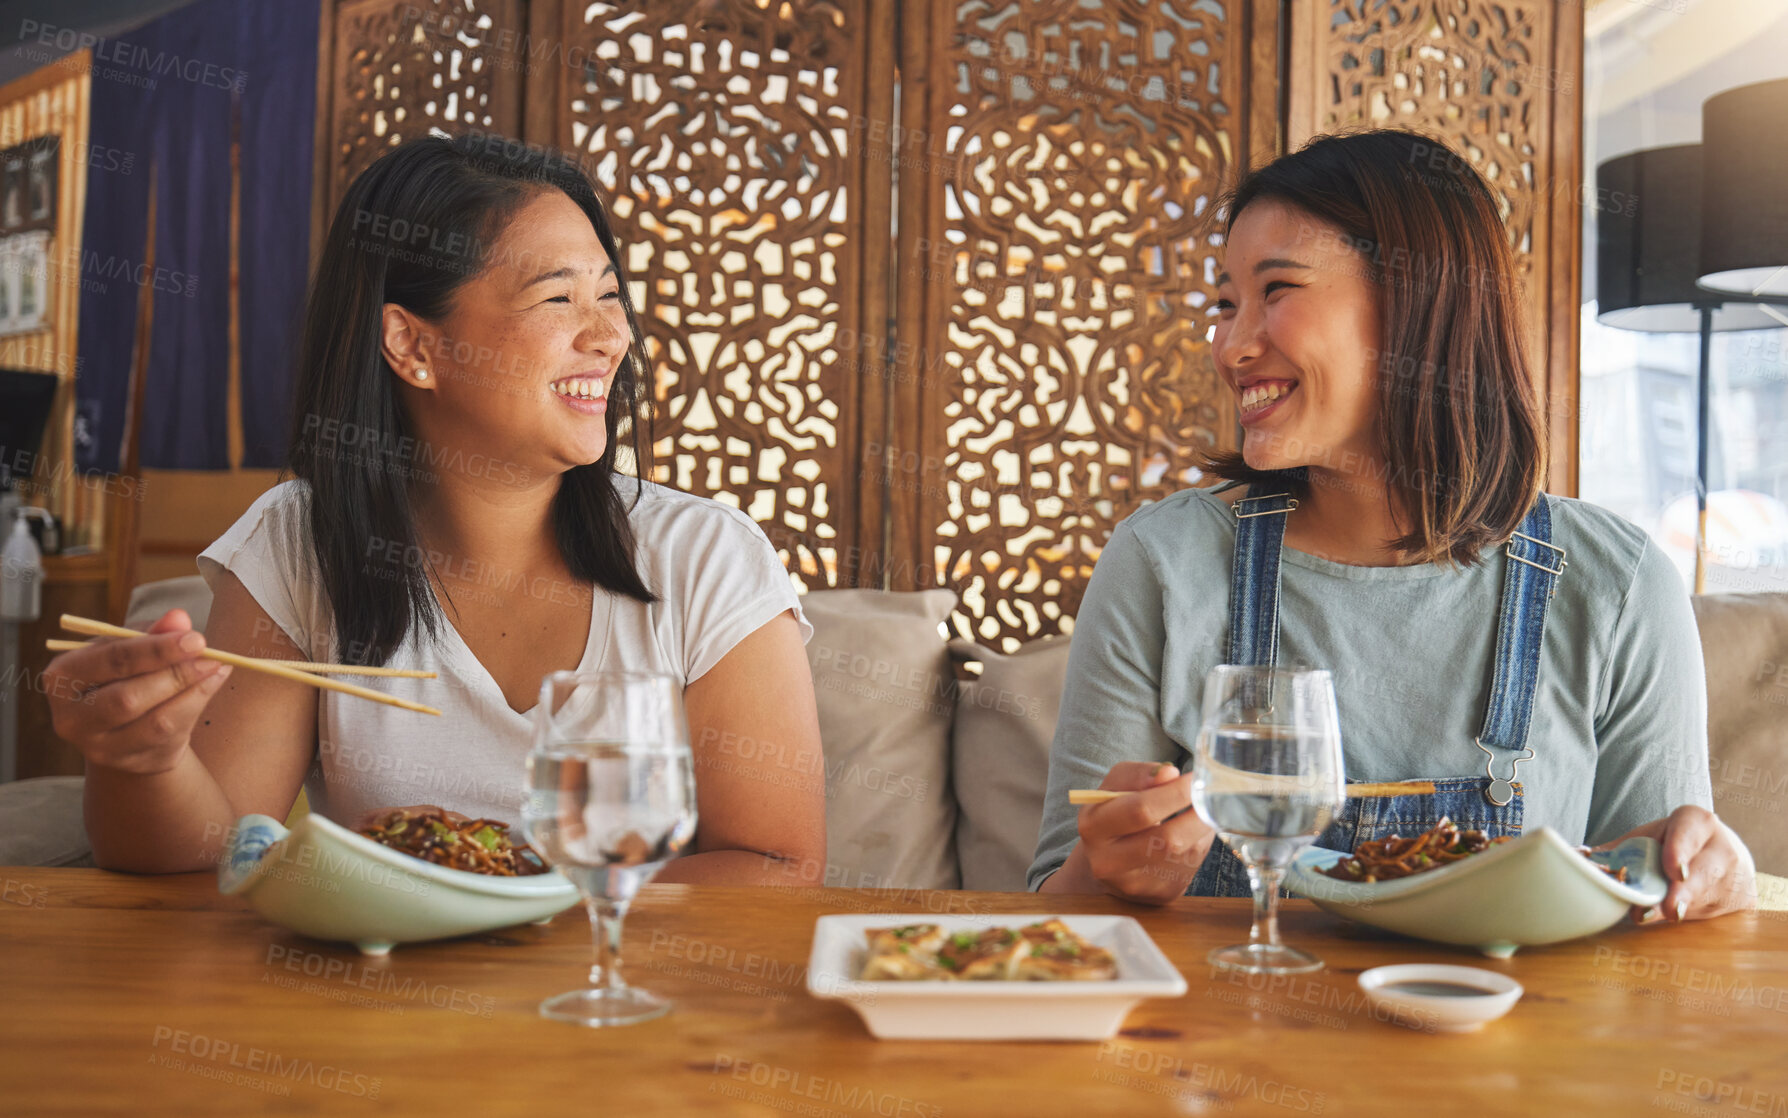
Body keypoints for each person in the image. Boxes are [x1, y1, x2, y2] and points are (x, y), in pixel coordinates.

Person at [46, 134, 826, 883]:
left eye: (611, 294)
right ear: (412, 345)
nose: (611, 334)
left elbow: (778, 866)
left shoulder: (705, 557)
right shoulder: (300, 542)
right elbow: (201, 858)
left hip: (621, 1001)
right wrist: (140, 762)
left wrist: (510, 900)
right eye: (560, 296)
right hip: (382, 1005)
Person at [1030, 129, 1755, 922]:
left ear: (1418, 300)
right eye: (1225, 303)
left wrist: (1723, 884)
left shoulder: (1617, 586)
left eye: (1276, 291)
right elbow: (1045, 910)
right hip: (1221, 1043)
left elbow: (1661, 915)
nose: (1232, 345)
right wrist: (1109, 872)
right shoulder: (1163, 564)